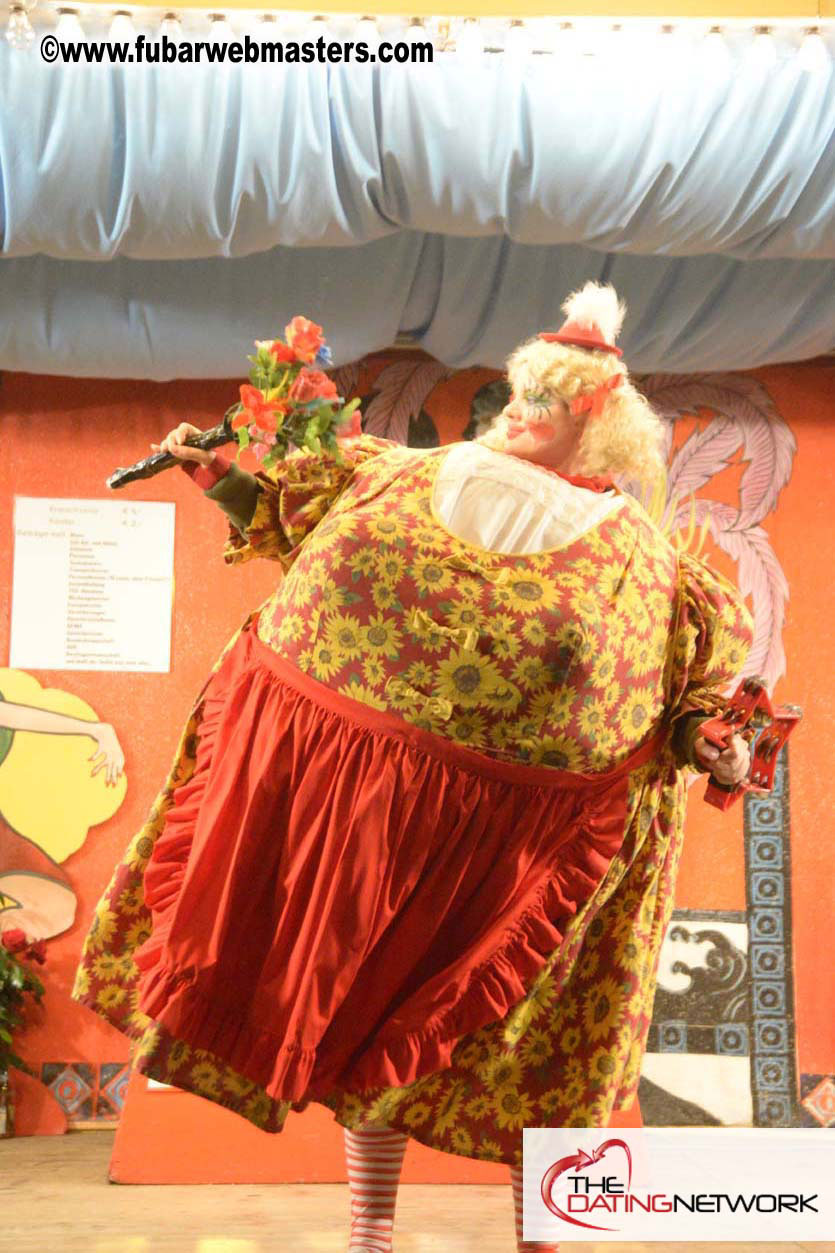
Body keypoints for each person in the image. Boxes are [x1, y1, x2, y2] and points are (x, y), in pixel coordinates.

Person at [71, 282, 753, 1253]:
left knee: (545, 1059)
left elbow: (689, 699)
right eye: (523, 390)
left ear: (598, 433)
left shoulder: (653, 572)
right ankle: (370, 1228)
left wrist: (713, 740)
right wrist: (214, 470)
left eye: (551, 402)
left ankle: (542, 1236)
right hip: (358, 815)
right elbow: (281, 520)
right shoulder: (385, 476)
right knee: (367, 1024)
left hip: (530, 853)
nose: (522, 409)